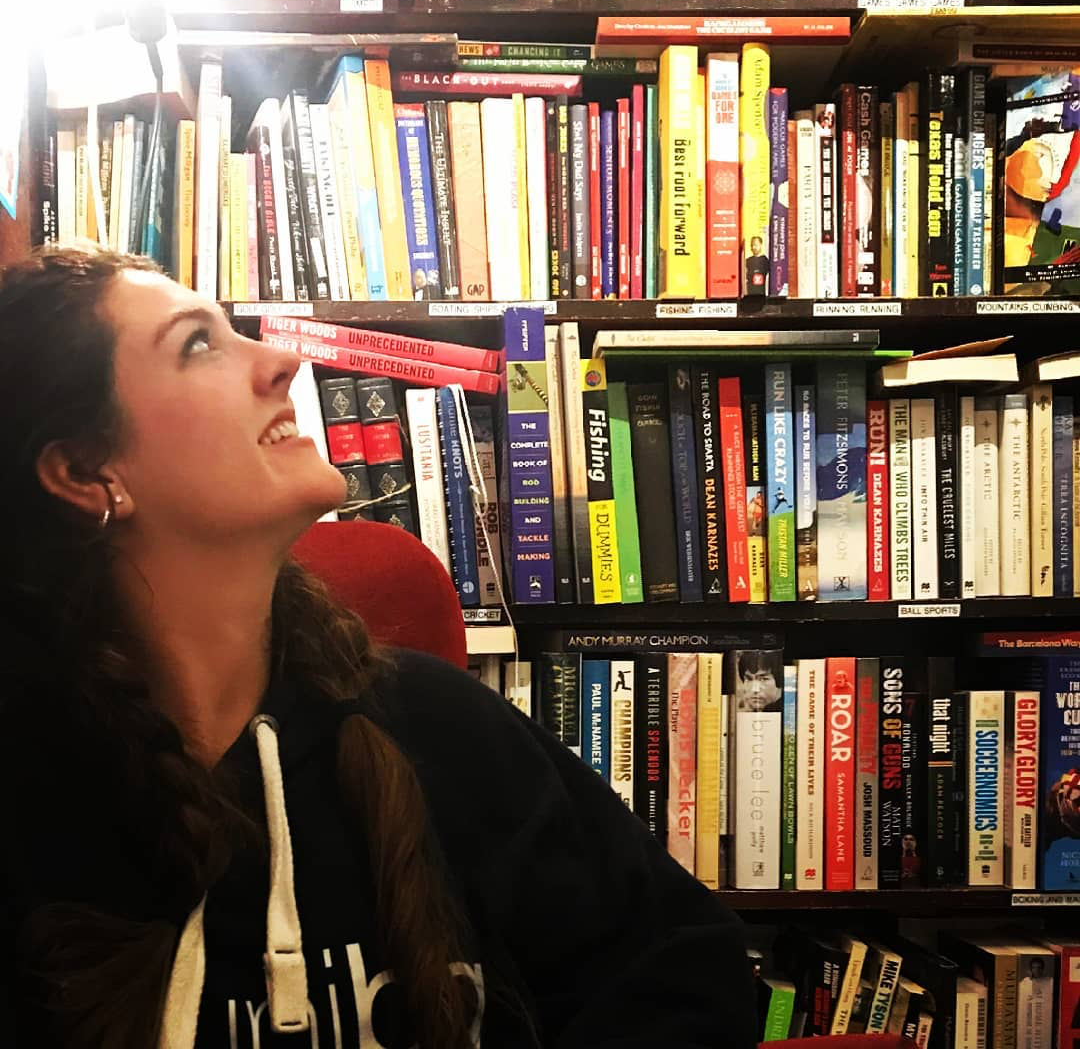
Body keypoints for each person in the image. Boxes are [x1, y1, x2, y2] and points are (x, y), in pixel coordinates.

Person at [0, 246, 757, 1049]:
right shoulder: (30, 791)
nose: (283, 359)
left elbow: (686, 979)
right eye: (198, 344)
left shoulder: (442, 731)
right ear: (85, 470)